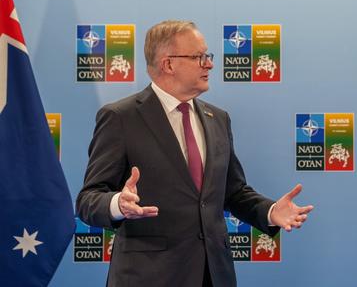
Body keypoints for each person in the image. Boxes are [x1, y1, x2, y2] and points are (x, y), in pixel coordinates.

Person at [77, 20, 314, 287]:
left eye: (208, 56)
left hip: (213, 275)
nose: (209, 64)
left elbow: (233, 192)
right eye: (199, 57)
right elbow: (88, 199)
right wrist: (118, 203)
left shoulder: (218, 119)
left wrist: (270, 211)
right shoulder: (121, 117)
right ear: (168, 64)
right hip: (149, 276)